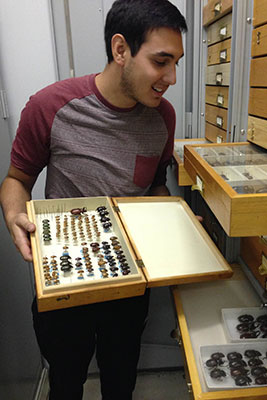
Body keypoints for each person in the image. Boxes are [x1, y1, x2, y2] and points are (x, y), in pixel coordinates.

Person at [0, 0, 187, 399]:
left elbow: (155, 185)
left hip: (129, 284)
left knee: (120, 381)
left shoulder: (163, 117)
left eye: (176, 63)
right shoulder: (50, 105)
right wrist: (15, 215)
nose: (171, 77)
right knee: (66, 384)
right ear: (121, 50)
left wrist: (174, 220)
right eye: (161, 61)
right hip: (65, 285)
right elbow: (16, 179)